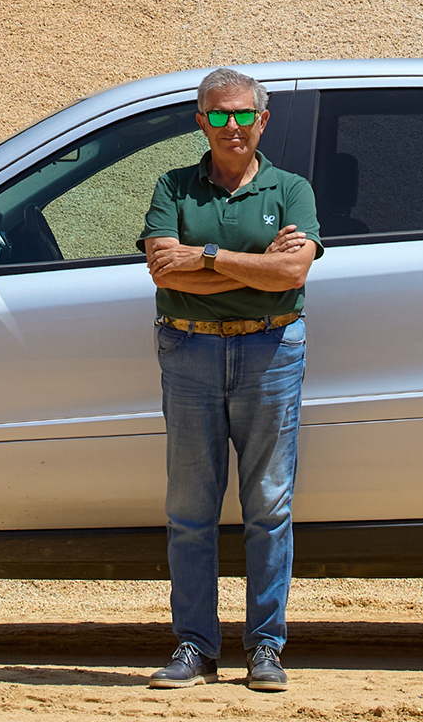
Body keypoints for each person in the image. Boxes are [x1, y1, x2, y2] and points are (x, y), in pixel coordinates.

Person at [137, 68, 322, 692]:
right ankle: (195, 644)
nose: (232, 126)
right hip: (189, 353)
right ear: (201, 121)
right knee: (190, 508)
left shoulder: (291, 189)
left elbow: (294, 272)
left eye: (242, 115)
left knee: (269, 506)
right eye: (218, 116)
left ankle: (265, 648)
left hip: (271, 351)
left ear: (261, 120)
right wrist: (256, 267)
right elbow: (165, 273)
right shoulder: (172, 186)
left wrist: (209, 257)